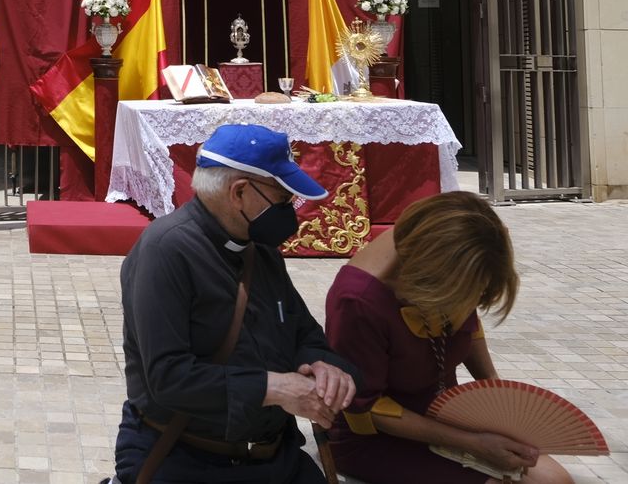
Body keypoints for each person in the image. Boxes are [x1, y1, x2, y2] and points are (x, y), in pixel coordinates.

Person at [112, 123, 360, 484]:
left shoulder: (261, 252)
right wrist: (276, 389)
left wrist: (325, 368)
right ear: (239, 192)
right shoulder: (165, 250)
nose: (291, 211)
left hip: (273, 456)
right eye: (283, 199)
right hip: (187, 458)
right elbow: (169, 378)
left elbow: (304, 333)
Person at [324, 192, 572, 484]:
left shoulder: (446, 246)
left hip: (446, 415)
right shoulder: (358, 301)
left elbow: (468, 323)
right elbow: (366, 409)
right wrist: (472, 443)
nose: (469, 308)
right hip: (375, 437)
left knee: (555, 480)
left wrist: (496, 395)